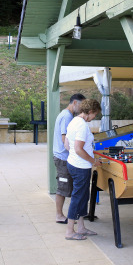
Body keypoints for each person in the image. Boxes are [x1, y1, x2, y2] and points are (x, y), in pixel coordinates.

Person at [63, 99, 102, 240]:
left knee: (83, 196)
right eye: (95, 115)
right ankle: (69, 231)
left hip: (73, 164)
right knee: (78, 197)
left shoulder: (74, 121)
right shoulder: (82, 126)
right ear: (90, 112)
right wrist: (94, 161)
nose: (94, 118)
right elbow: (79, 149)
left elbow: (67, 144)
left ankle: (80, 227)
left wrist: (78, 155)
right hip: (81, 167)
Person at [53, 93, 85, 224]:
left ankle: (67, 214)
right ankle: (59, 215)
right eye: (81, 106)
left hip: (63, 157)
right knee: (63, 187)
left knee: (67, 186)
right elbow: (64, 139)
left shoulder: (66, 114)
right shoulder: (66, 116)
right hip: (62, 158)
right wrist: (77, 152)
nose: (82, 109)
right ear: (75, 103)